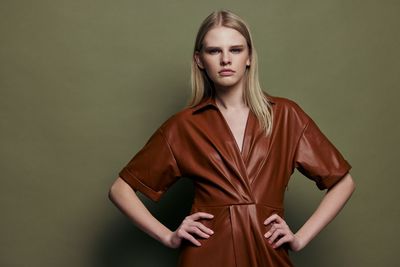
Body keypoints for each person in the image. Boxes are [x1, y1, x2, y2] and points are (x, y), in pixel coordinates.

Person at [108, 9, 356, 267]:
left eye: (235, 50)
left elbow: (342, 182)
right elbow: (120, 190)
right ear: (200, 60)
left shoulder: (285, 116)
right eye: (214, 51)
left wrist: (300, 238)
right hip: (206, 256)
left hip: (268, 253)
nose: (226, 59)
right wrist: (169, 237)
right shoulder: (183, 126)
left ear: (249, 57)